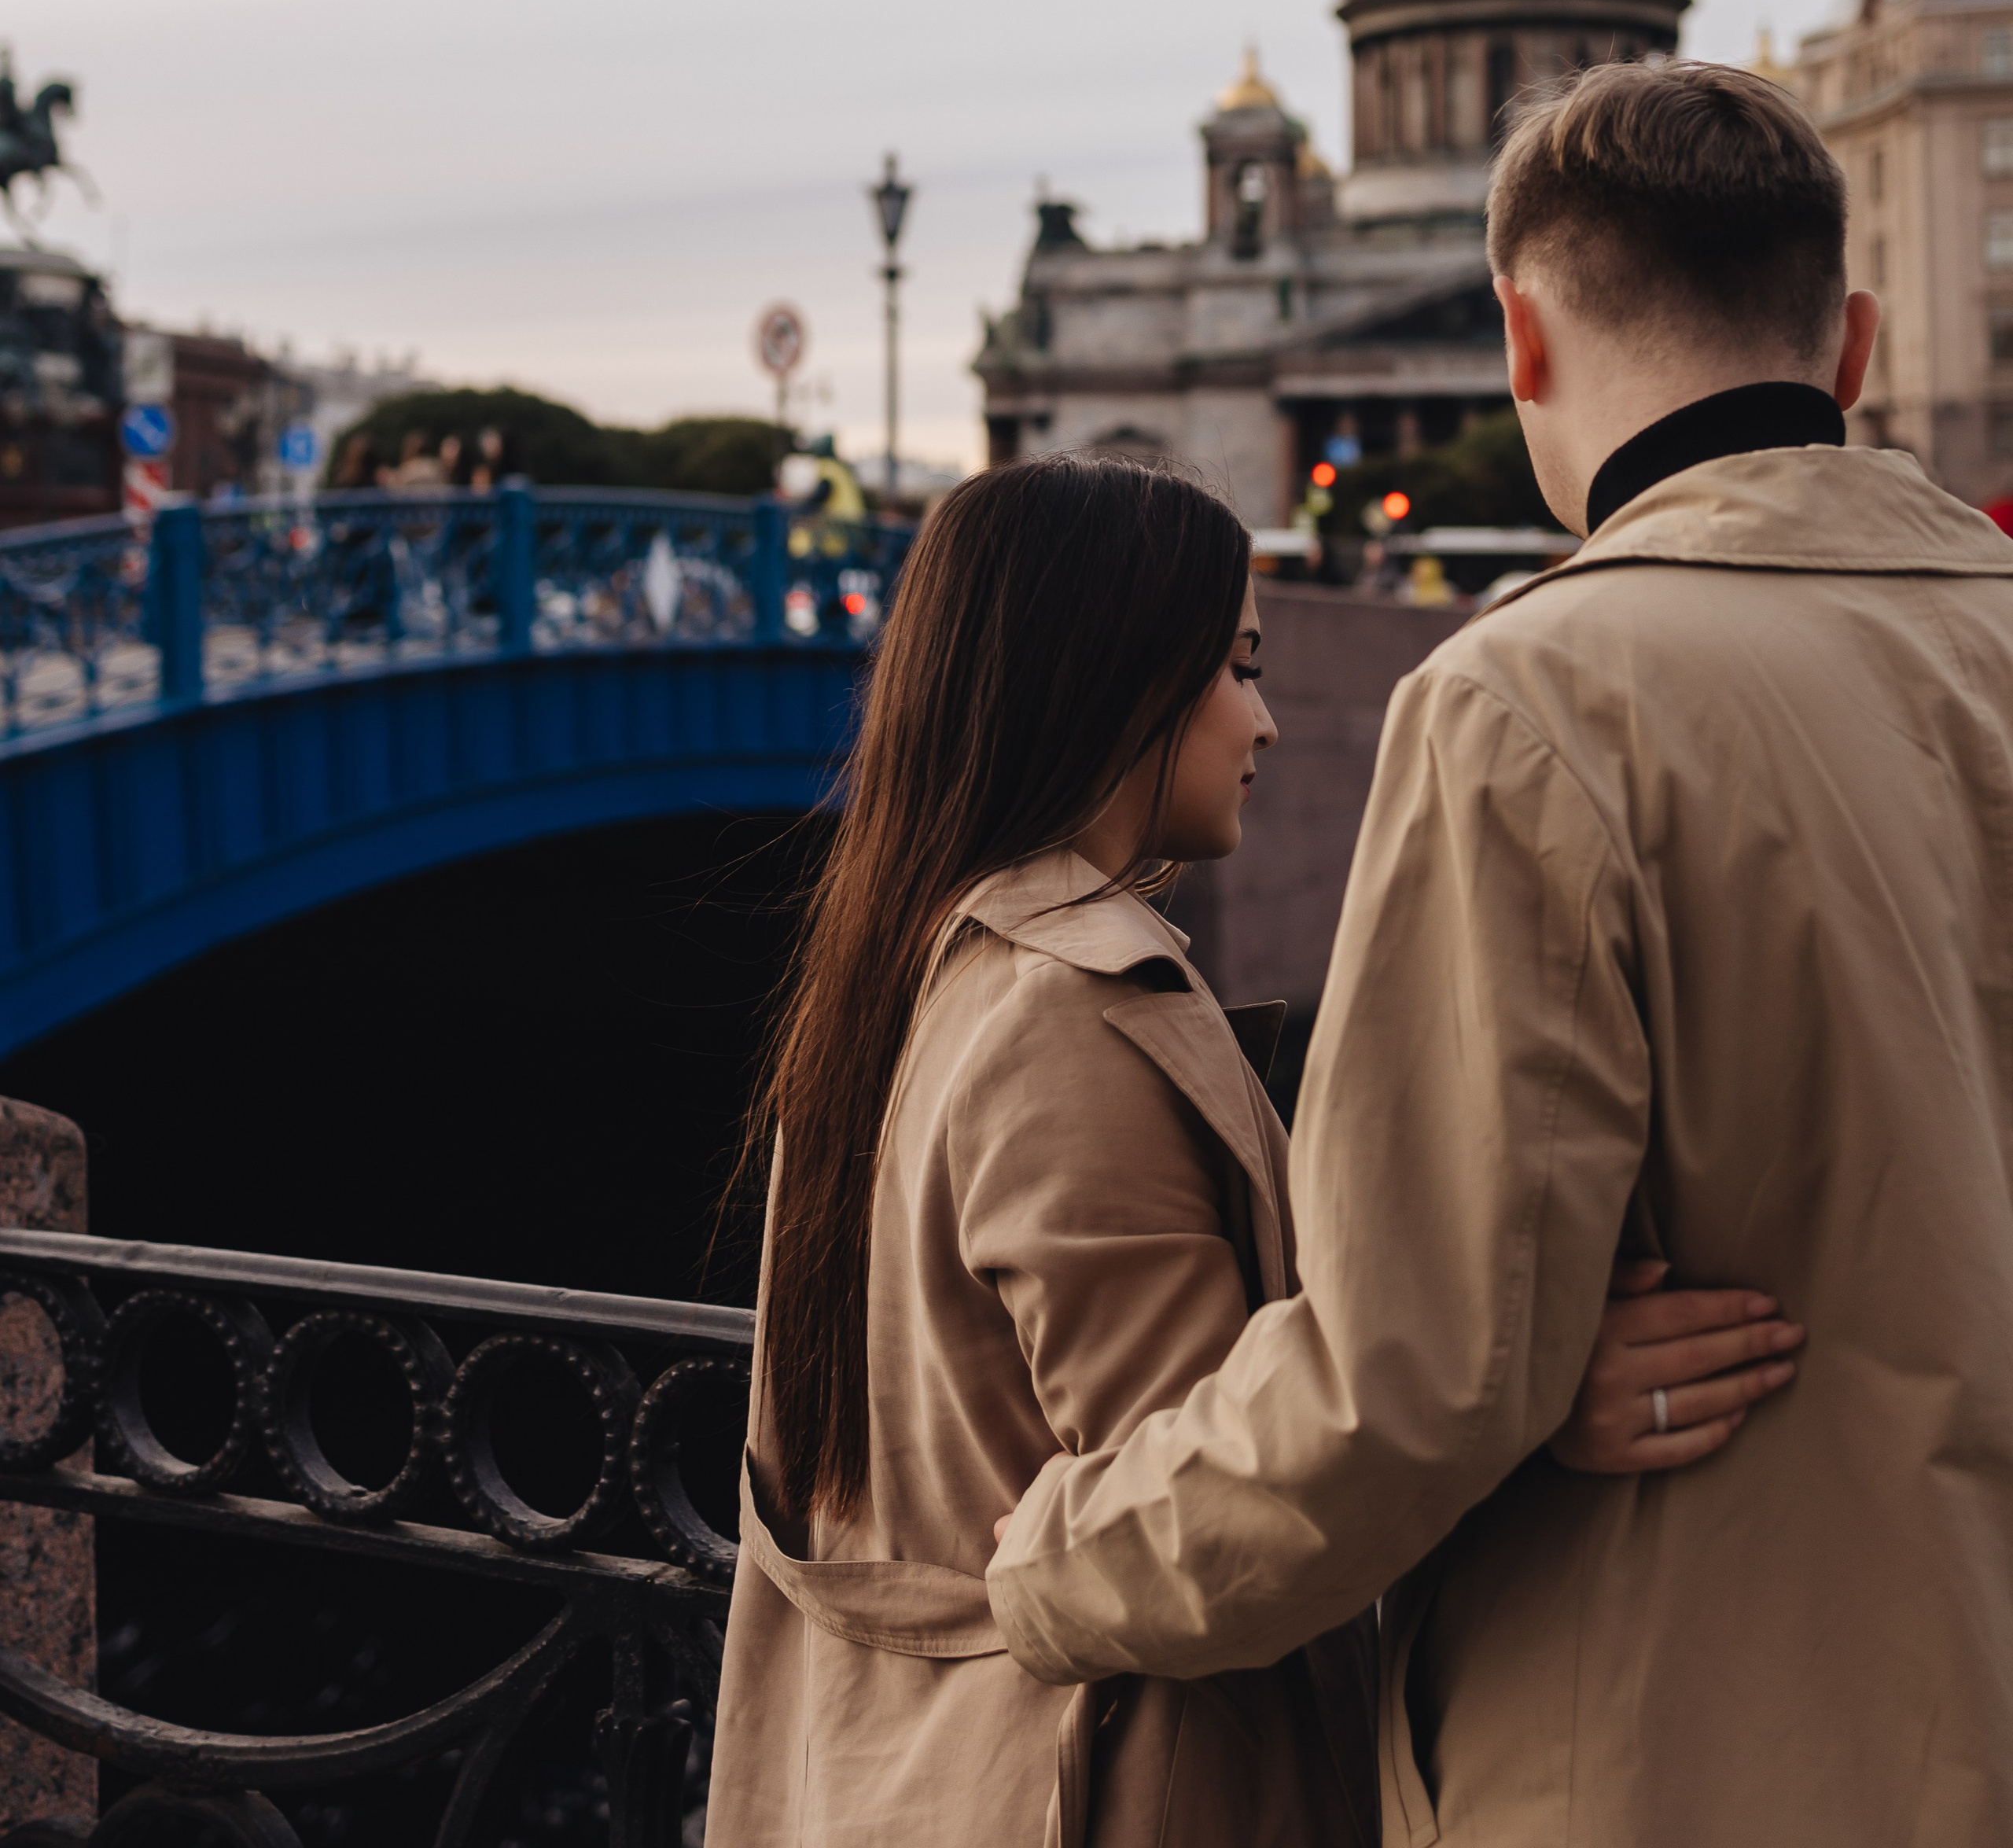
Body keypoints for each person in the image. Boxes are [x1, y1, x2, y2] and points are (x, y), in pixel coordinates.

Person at [988, 61, 2013, 1843]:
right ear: (1848, 345)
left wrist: (1054, 1569)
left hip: (1684, 1754)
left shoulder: (1534, 699)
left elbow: (1419, 1376)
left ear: (1516, 345)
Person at [708, 449, 1801, 1847]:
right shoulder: (1072, 1014)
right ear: (1116, 682)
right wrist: (1520, 1410)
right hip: (1108, 1781)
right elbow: (1221, 1518)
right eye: (1237, 668)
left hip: (892, 1771)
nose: (1265, 723)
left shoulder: (899, 975)